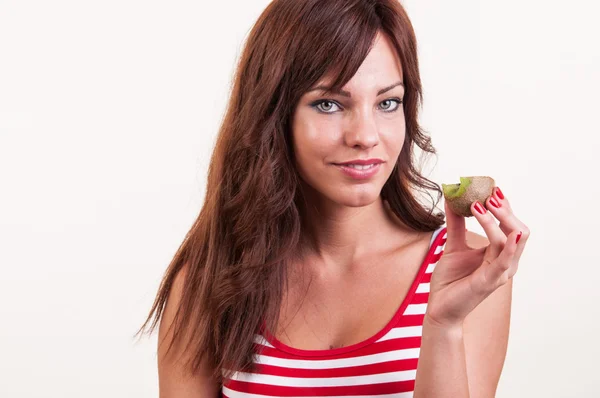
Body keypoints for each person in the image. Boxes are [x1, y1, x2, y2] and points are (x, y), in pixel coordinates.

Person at [136, 0, 530, 397]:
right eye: (329, 104)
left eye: (387, 102)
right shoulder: (209, 278)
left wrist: (444, 325)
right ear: (274, 115)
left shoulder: (471, 271)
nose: (365, 135)